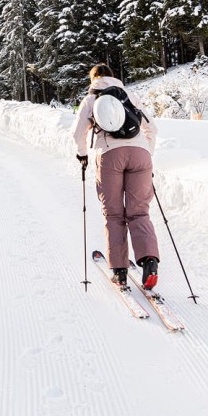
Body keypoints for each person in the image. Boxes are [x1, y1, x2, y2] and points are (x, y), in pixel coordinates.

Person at [72, 63, 160, 289]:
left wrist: (82, 155)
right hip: (140, 155)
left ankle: (119, 271)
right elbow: (152, 129)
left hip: (110, 155)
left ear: (93, 79)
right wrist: (145, 154)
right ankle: (149, 262)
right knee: (140, 211)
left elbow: (77, 133)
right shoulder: (129, 95)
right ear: (113, 76)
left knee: (113, 213)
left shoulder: (91, 99)